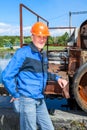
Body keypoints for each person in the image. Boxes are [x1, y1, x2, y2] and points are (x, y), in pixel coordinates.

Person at [2, 22, 69, 130]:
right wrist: (15, 93)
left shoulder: (42, 55)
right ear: (32, 36)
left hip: (40, 98)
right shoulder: (23, 53)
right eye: (39, 36)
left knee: (48, 128)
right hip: (27, 99)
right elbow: (6, 76)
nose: (42, 39)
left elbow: (44, 73)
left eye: (44, 37)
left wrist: (58, 78)